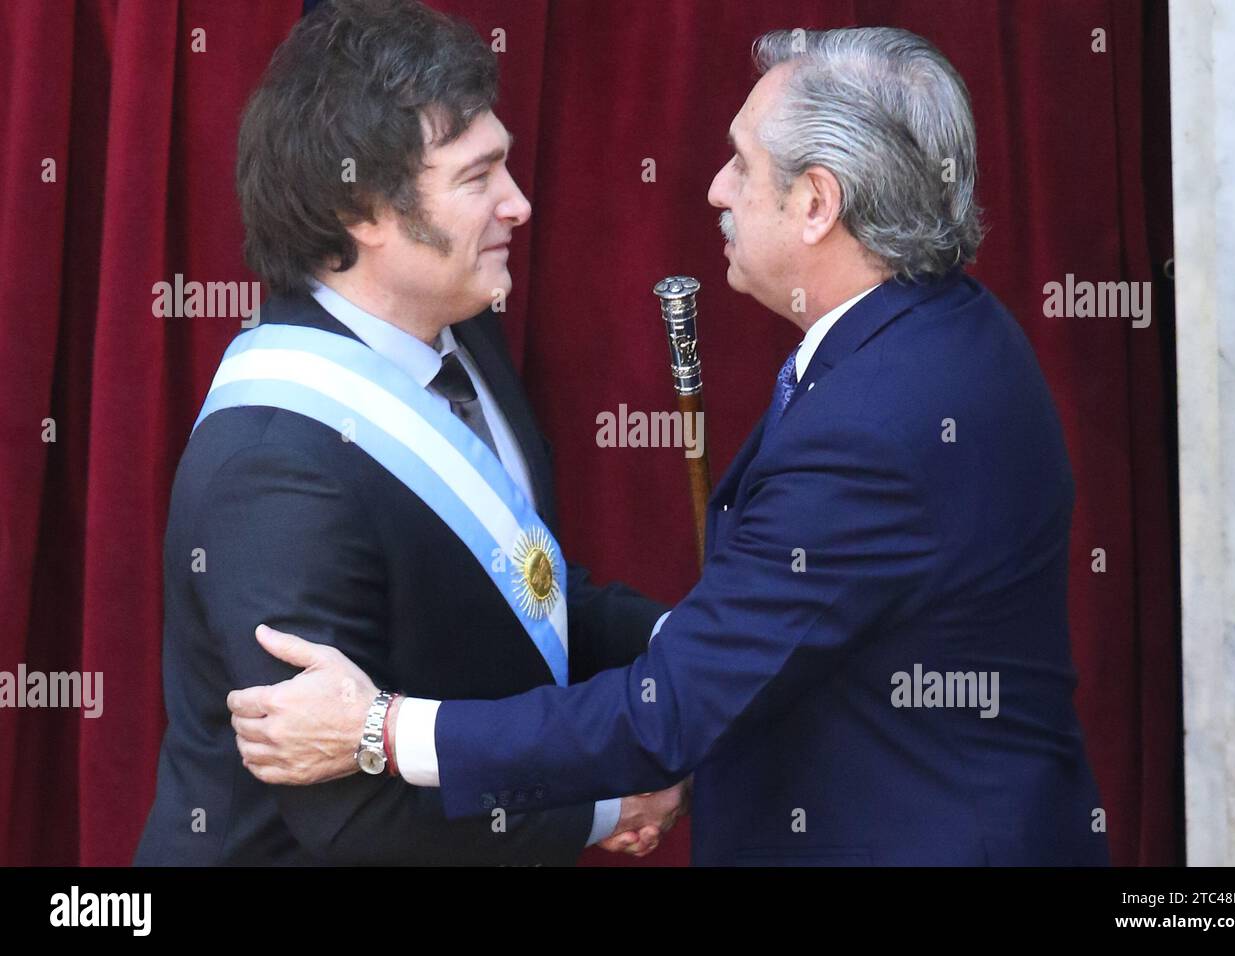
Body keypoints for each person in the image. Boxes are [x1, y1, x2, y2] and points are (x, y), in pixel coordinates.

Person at [229, 26, 1111, 866]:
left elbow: (669, 716)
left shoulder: (877, 423)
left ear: (815, 204)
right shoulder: (945, 330)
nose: (717, 189)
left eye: (742, 164)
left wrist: (380, 732)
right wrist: (686, 641)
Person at [134, 0, 685, 866]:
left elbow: (521, 588)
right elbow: (347, 814)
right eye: (479, 178)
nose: (520, 204)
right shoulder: (274, 465)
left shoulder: (469, 335)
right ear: (363, 209)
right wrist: (604, 807)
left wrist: (692, 647)